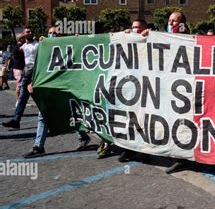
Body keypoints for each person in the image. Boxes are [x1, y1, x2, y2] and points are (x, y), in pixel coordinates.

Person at [22, 27, 92, 158]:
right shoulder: (43, 50)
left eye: (55, 33)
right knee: (43, 115)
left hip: (66, 87)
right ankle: (38, 146)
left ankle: (84, 137)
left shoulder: (69, 48)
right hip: (49, 88)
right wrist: (33, 82)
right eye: (50, 33)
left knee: (71, 114)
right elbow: (39, 68)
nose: (52, 35)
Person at [98, 19, 149, 161]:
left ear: (145, 28)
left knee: (141, 121)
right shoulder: (127, 40)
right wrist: (122, 36)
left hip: (145, 87)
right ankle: (129, 148)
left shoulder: (150, 39)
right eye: (132, 27)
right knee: (127, 119)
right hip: (129, 87)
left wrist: (150, 35)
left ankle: (145, 151)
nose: (134, 30)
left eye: (137, 28)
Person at [2, 28, 39, 129]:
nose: (30, 33)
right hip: (27, 72)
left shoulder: (38, 44)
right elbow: (18, 40)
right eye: (28, 31)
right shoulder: (23, 45)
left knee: (40, 97)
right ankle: (16, 120)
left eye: (31, 31)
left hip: (36, 71)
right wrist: (24, 35)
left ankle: (50, 119)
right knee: (22, 97)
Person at [12, 31, 26, 102]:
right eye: (23, 38)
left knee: (21, 85)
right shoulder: (18, 47)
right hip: (18, 69)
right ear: (20, 39)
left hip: (19, 68)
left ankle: (20, 101)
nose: (25, 39)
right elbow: (23, 49)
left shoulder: (17, 46)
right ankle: (18, 101)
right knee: (19, 85)